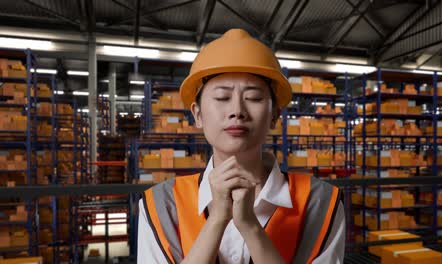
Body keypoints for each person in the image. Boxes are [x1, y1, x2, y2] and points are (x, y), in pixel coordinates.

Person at [138, 28, 345, 264]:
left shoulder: (320, 201)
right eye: (222, 98)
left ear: (275, 115)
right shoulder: (162, 204)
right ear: (198, 114)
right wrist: (217, 220)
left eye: (254, 98)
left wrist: (249, 226)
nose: (237, 110)